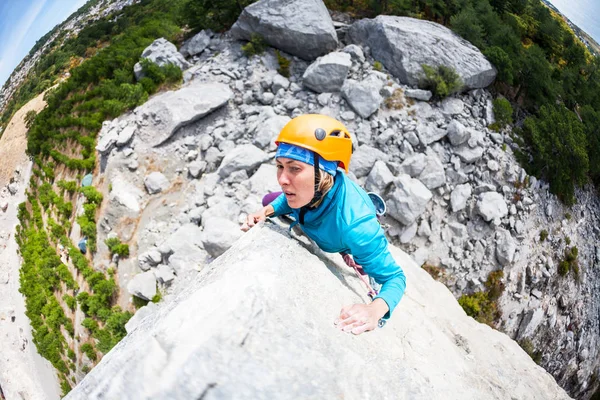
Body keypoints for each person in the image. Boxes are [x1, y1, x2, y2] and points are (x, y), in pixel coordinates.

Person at [241, 114, 406, 335]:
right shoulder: (308, 189)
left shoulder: (355, 227)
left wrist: (375, 309)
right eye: (280, 166)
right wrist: (265, 212)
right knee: (267, 201)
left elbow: (395, 278)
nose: (282, 179)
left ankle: (360, 238)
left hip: (343, 232)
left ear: (324, 174)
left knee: (366, 262)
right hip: (322, 213)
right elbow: (286, 198)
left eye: (295, 168)